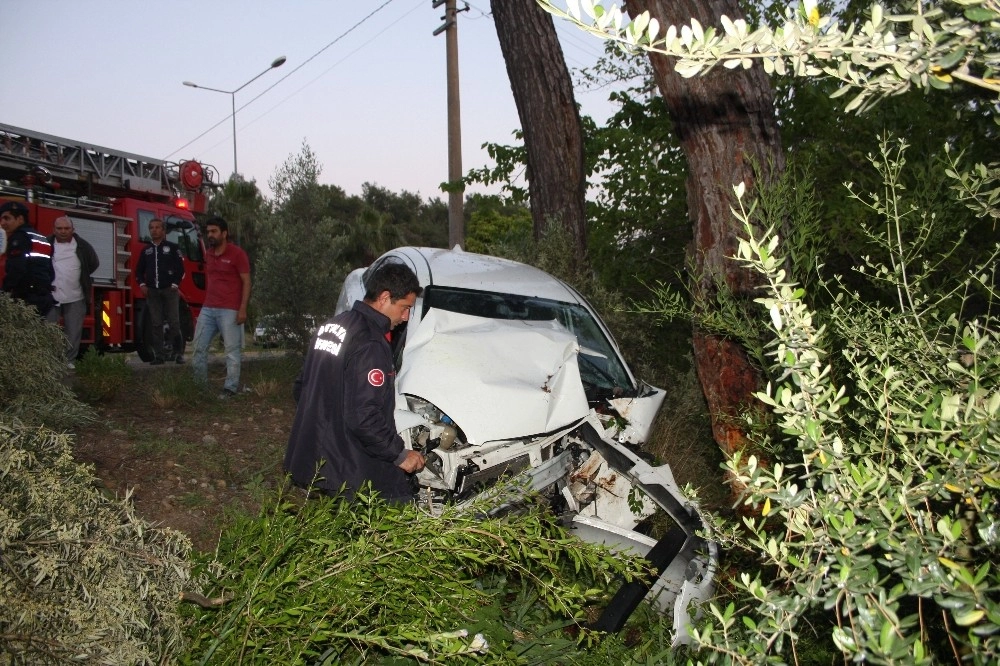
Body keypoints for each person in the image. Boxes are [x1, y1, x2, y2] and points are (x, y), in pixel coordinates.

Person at [284, 262, 426, 503]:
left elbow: (302, 388)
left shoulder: (332, 326)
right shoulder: (370, 343)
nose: (405, 317)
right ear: (384, 297)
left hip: (312, 458)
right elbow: (364, 417)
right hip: (345, 470)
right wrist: (400, 455)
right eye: (404, 308)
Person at [191, 216, 250, 397]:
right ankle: (199, 388)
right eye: (208, 231)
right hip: (208, 308)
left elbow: (246, 281)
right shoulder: (208, 254)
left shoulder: (237, 254)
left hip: (230, 309)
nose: (210, 235)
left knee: (231, 350)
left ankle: (230, 388)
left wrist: (242, 308)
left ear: (224, 233)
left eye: (214, 231)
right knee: (198, 348)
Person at [46, 216, 100, 368]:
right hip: (51, 296)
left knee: (73, 330)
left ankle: (69, 360)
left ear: (73, 230)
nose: (63, 231)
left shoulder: (83, 246)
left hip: (76, 295)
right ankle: (50, 361)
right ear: (53, 230)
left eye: (66, 228)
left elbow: (94, 263)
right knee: (49, 329)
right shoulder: (46, 243)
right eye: (59, 228)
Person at [135, 218, 185, 365]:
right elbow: (138, 271)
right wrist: (142, 285)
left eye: (157, 227)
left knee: (174, 322)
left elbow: (181, 270)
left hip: (169, 290)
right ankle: (159, 355)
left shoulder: (173, 247)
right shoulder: (146, 250)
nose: (154, 230)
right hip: (152, 292)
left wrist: (175, 284)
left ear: (163, 231)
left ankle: (178, 353)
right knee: (156, 323)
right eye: (151, 228)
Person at [0, 201, 54, 316]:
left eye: (7, 218)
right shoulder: (40, 237)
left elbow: (17, 269)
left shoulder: (19, 237)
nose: (2, 223)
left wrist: (4, 292)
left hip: (26, 299)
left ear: (20, 219)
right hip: (44, 298)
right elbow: (51, 270)